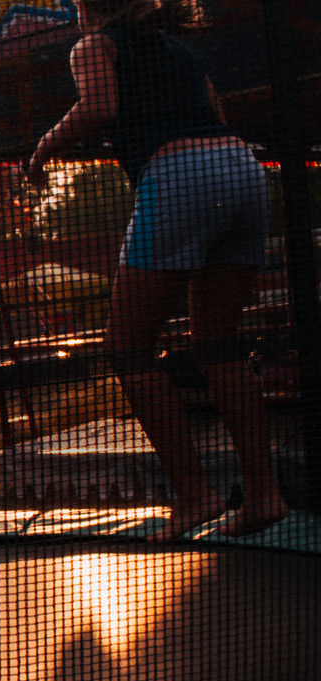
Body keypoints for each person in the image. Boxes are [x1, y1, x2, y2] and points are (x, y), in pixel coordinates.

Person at [25, 0, 288, 541]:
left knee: (125, 346)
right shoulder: (183, 51)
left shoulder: (94, 45)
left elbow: (99, 106)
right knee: (218, 341)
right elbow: (215, 112)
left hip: (179, 176)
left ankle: (194, 495)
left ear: (93, 7)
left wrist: (43, 148)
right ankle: (264, 494)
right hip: (242, 170)